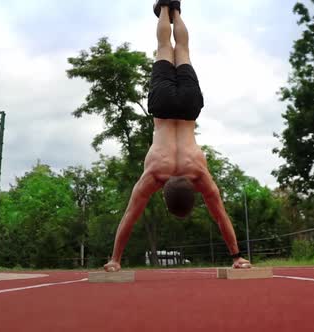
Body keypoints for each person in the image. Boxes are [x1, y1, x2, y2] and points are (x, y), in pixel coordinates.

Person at [103, 0, 251, 272]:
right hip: (162, 107)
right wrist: (114, 259)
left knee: (181, 50)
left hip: (189, 107)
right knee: (164, 48)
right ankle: (163, 10)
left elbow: (220, 216)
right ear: (163, 194)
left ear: (193, 191)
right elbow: (130, 216)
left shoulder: (198, 174)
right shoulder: (155, 174)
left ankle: (175, 10)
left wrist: (238, 255)